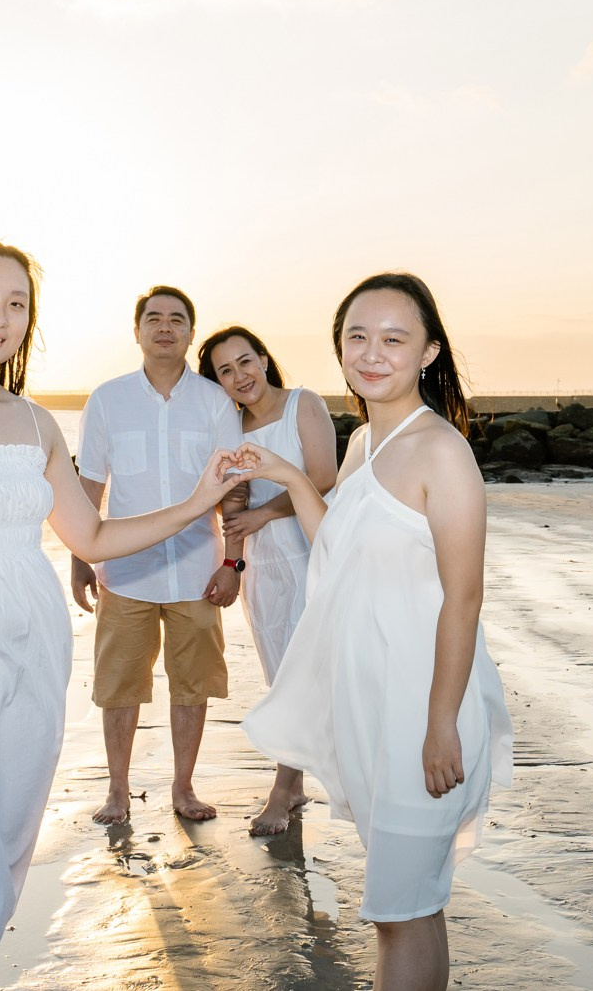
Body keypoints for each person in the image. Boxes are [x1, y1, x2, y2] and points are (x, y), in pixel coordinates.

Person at [0, 243, 249, 991]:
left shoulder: (37, 423)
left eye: (16, 303)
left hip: (32, 657)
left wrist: (199, 502)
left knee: (6, 844)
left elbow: (97, 536)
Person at [237, 272, 513, 991]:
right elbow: (339, 551)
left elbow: (465, 597)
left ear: (428, 352)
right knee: (408, 906)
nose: (372, 352)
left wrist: (441, 723)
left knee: (404, 908)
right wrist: (292, 478)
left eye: (394, 338)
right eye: (357, 335)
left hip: (424, 706)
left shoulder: (441, 452)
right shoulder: (360, 442)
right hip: (373, 702)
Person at [70, 286, 248, 824]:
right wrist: (80, 557)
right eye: (154, 318)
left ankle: (183, 789)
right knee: (119, 686)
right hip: (125, 573)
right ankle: (118, 791)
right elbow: (90, 483)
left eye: (177, 319)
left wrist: (232, 562)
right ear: (138, 331)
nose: (165, 327)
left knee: (193, 685)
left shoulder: (215, 402)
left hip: (198, 570)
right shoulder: (107, 399)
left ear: (191, 333)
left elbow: (235, 487)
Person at [196, 324, 339, 834]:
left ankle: (284, 789)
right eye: (225, 371)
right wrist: (232, 564)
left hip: (312, 550)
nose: (239, 376)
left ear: (263, 358)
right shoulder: (230, 429)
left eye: (245, 361)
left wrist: (262, 516)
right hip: (265, 564)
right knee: (282, 674)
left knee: (318, 669)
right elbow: (233, 503)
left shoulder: (304, 404)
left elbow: (322, 476)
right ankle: (293, 781)